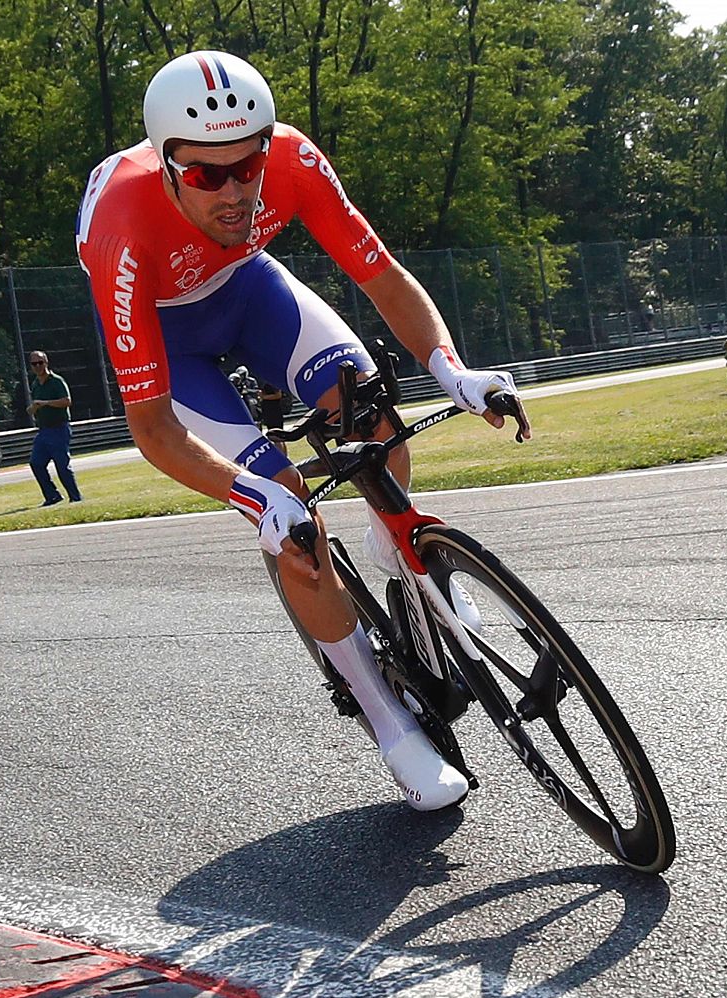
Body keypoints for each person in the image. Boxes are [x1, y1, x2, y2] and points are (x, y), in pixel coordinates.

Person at [76, 50, 529, 811]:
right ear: (164, 165)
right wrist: (253, 499)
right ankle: (391, 728)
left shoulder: (293, 160)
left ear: (267, 146)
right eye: (205, 175)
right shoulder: (121, 231)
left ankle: (402, 554)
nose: (234, 190)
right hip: (170, 338)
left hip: (251, 289)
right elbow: (152, 427)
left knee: (371, 410)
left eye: (246, 165)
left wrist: (454, 371)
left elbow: (379, 273)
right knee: (292, 515)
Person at [27, 350, 83, 506]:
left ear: (46, 362)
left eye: (40, 363)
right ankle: (52, 496)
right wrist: (33, 409)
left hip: (59, 428)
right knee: (36, 463)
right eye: (34, 364)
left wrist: (46, 403)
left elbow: (67, 401)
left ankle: (75, 497)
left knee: (61, 465)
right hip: (43, 430)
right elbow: (36, 404)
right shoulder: (35, 384)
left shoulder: (57, 381)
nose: (38, 366)